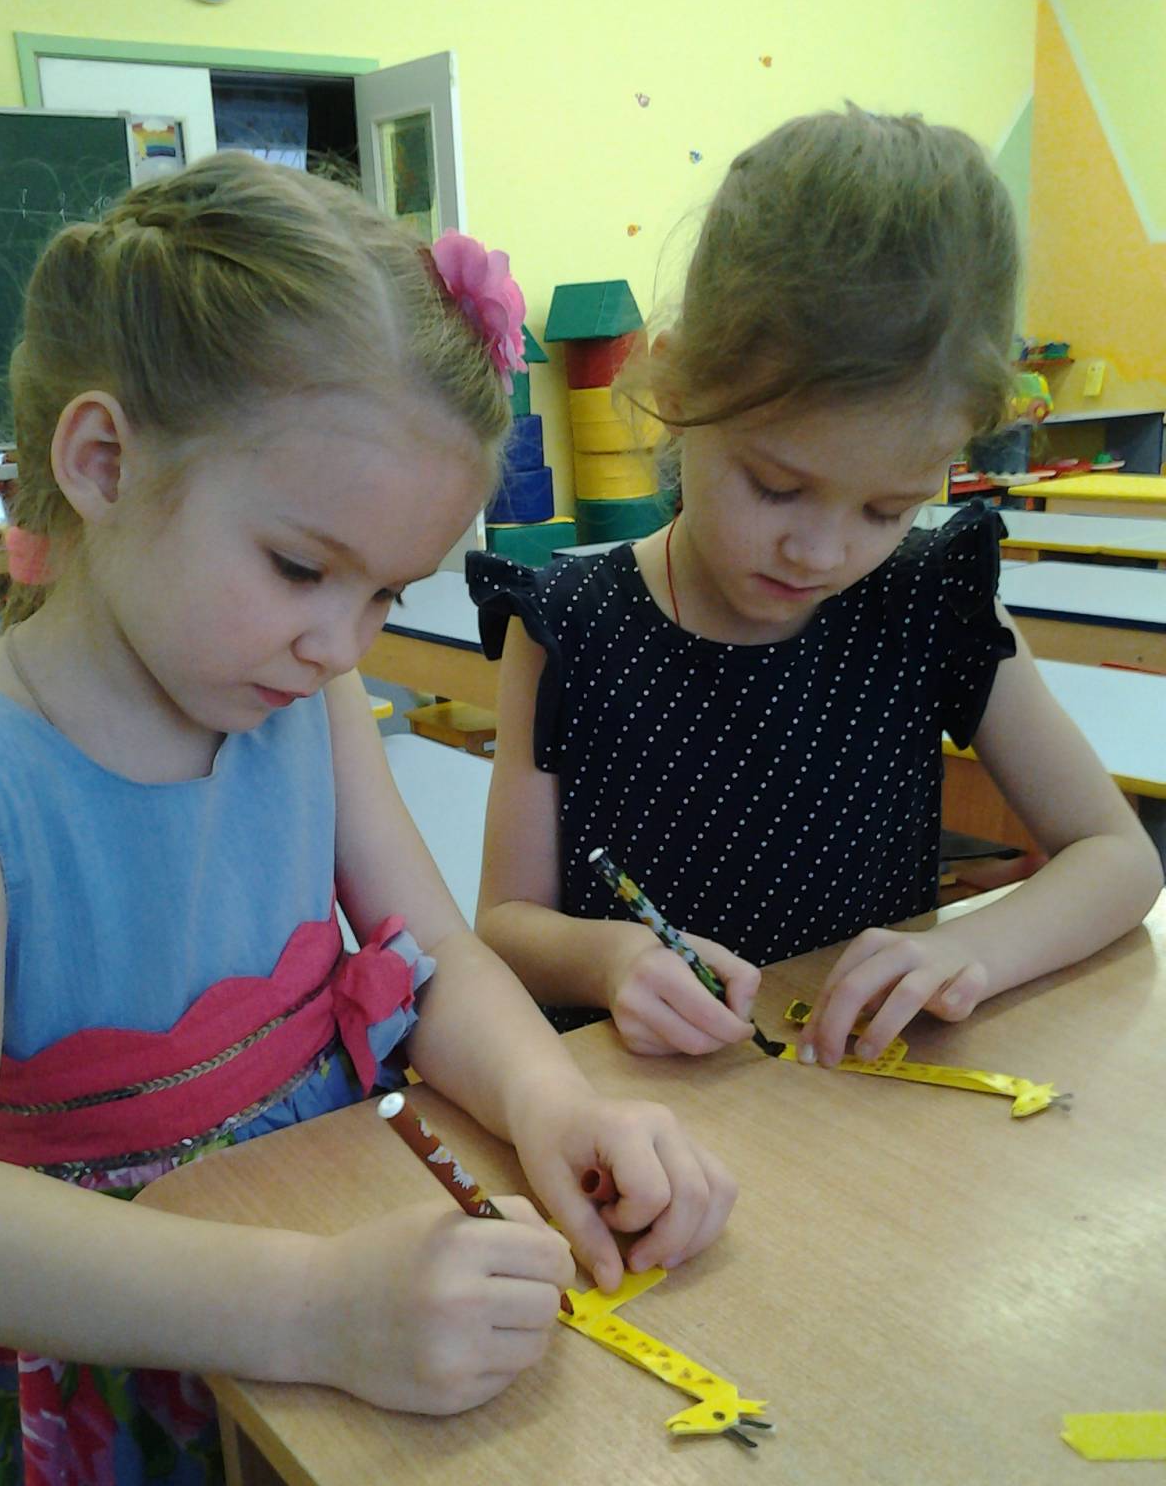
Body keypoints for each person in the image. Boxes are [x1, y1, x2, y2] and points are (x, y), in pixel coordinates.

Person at [0, 153, 735, 1486]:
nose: (343, 642)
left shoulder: (301, 697)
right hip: (120, 1397)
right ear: (104, 464)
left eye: (384, 591)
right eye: (300, 567)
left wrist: (555, 1101)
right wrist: (317, 1304)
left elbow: (433, 952)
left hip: (356, 1296)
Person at [467, 106, 1162, 1069]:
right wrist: (614, 961)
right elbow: (505, 923)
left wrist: (970, 950)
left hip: (855, 1098)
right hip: (640, 1112)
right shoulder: (569, 626)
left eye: (888, 507)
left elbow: (1119, 858)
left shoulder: (929, 600)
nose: (821, 552)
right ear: (674, 388)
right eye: (777, 486)